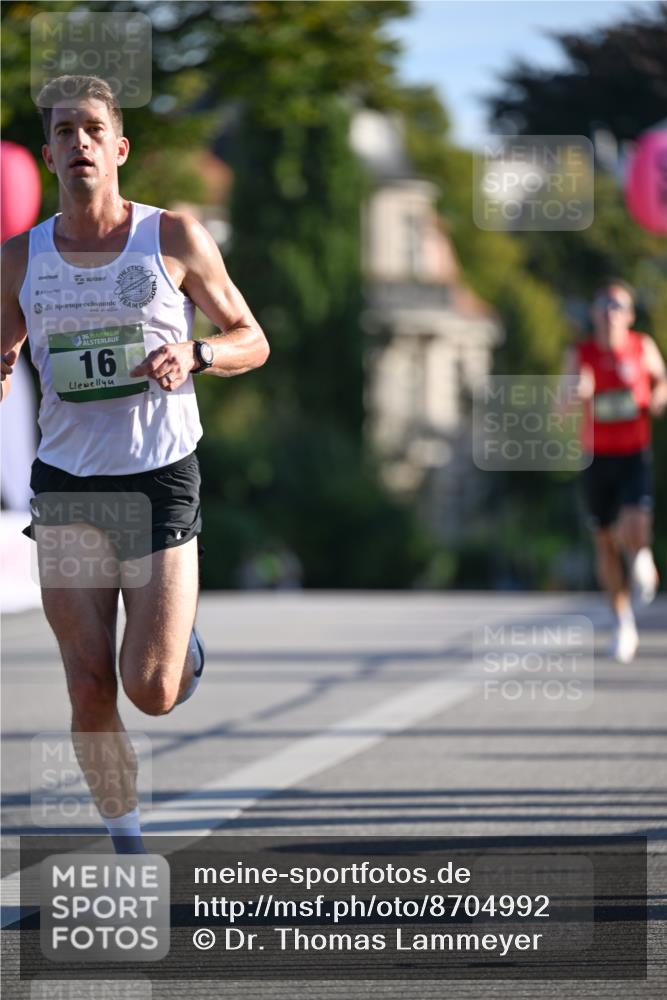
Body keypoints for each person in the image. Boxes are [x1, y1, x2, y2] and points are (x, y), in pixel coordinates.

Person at [0, 75, 269, 852]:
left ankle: (181, 648)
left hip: (157, 477)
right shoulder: (20, 258)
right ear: (48, 154)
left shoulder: (173, 238)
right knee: (87, 682)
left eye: (90, 128)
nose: (76, 141)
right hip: (67, 484)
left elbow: (253, 336)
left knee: (148, 690)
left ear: (117, 148)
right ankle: (126, 838)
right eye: (61, 131)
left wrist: (200, 352)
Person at [564, 278, 666, 663]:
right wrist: (577, 392)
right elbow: (560, 404)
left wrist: (657, 396)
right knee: (605, 542)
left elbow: (662, 380)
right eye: (603, 306)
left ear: (629, 315)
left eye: (617, 306)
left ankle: (641, 556)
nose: (609, 313)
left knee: (635, 525)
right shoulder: (581, 353)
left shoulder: (642, 347)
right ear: (593, 314)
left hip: (633, 452)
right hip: (596, 457)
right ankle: (623, 623)